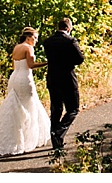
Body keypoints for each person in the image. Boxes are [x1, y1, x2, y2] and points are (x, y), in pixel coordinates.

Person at [0, 27, 51, 155]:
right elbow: (31, 65)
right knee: (27, 106)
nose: (36, 41)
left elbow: (14, 65)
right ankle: (25, 139)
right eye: (35, 38)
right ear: (28, 37)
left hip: (14, 78)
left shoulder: (16, 47)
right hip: (24, 79)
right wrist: (47, 63)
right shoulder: (28, 48)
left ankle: (13, 138)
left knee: (16, 106)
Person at [40, 17, 84, 150]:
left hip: (53, 78)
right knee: (73, 108)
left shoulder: (48, 42)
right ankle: (58, 132)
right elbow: (79, 59)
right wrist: (69, 61)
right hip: (67, 79)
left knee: (56, 109)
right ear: (69, 28)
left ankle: (55, 139)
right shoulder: (70, 41)